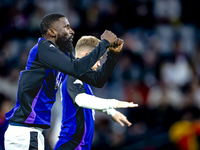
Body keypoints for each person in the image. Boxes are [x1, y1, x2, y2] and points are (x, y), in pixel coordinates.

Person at [4, 13, 121, 150]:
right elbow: (75, 68)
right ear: (52, 32)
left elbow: (97, 80)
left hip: (31, 133)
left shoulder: (60, 59)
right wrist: (104, 43)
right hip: (24, 132)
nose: (72, 31)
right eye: (66, 27)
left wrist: (113, 54)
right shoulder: (43, 48)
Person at [54, 36, 138, 150]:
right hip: (71, 145)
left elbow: (99, 83)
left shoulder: (83, 81)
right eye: (97, 60)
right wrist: (111, 104)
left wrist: (110, 112)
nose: (99, 64)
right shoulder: (72, 76)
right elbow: (81, 100)